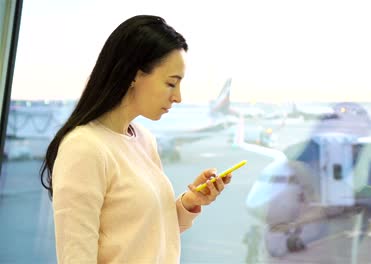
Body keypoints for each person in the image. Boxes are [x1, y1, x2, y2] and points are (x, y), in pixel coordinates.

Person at [39, 15, 232, 264]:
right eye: (171, 83)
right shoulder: (84, 148)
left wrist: (190, 202)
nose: (178, 97)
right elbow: (76, 257)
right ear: (133, 74)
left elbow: (146, 231)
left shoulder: (143, 139)